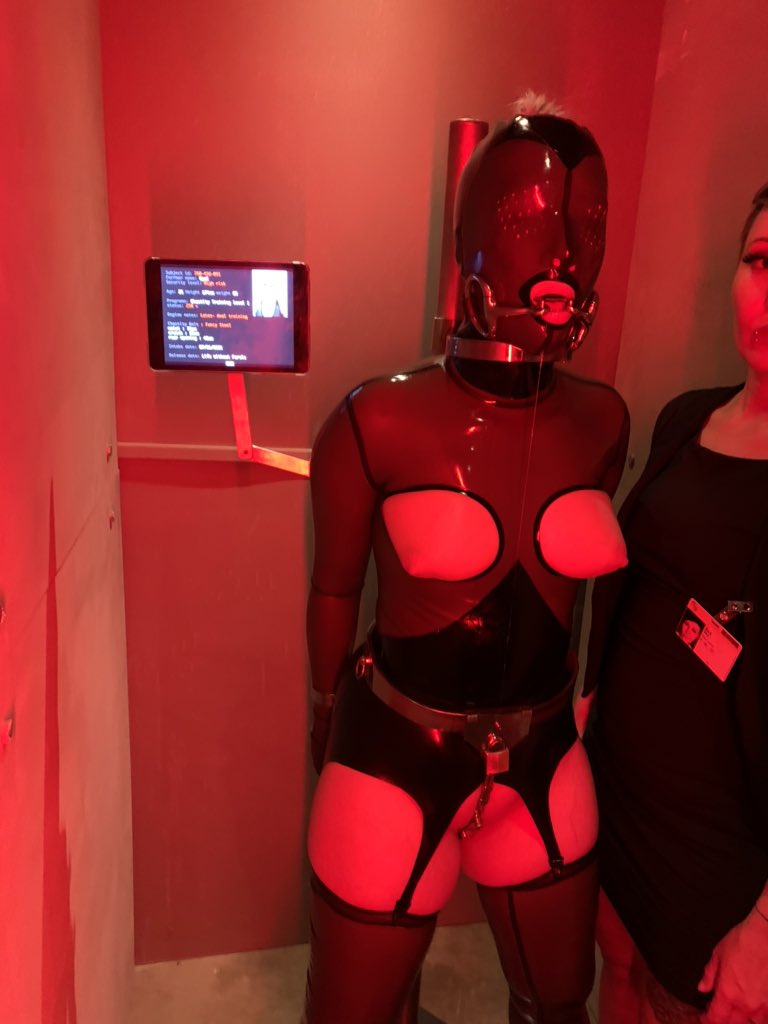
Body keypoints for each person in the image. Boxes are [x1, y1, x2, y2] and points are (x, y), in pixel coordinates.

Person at [303, 101, 630, 1024]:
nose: (563, 255)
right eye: (529, 221)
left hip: (545, 756)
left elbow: (590, 600)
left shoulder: (604, 422)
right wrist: (325, 717)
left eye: (587, 226)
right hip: (394, 754)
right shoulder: (375, 421)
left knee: (559, 1005)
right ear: (473, 240)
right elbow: (333, 590)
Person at [583, 183, 768, 1023]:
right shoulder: (686, 418)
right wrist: (586, 697)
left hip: (719, 853)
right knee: (616, 978)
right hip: (618, 792)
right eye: (761, 262)